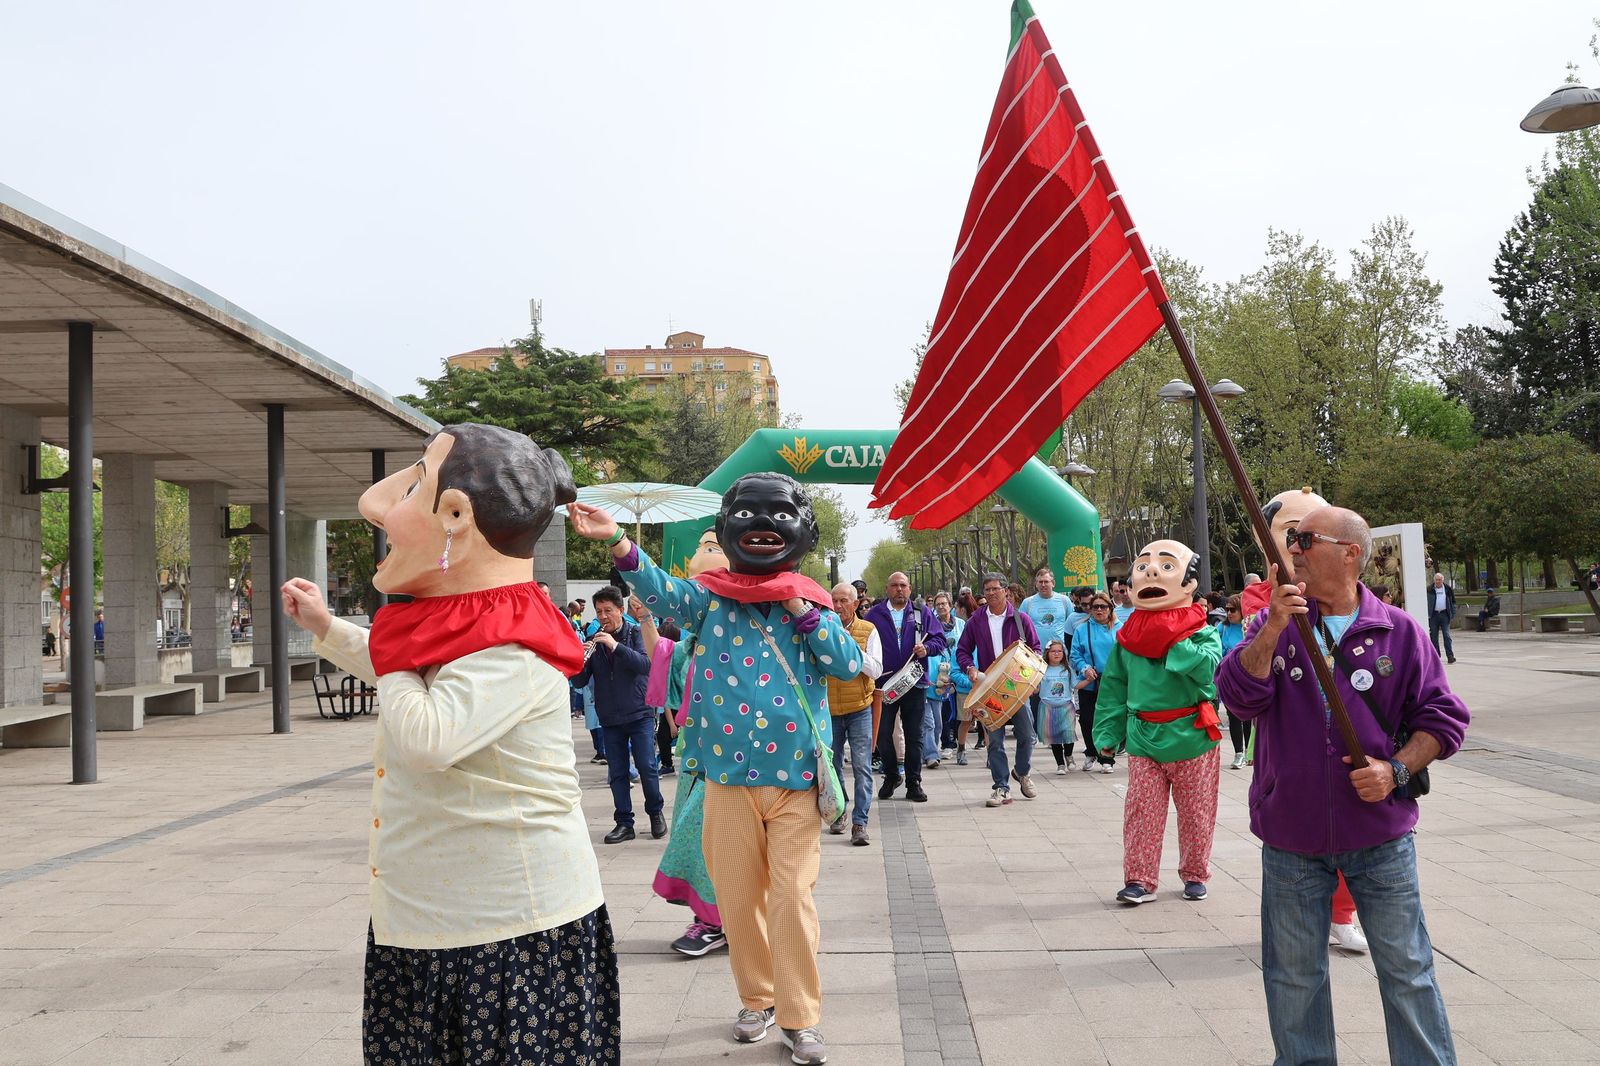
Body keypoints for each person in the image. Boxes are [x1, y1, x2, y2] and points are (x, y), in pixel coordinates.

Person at [281, 422, 617, 1064]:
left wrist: (392, 643)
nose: (378, 506)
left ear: (456, 518)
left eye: (412, 487)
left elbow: (427, 734)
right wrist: (332, 629)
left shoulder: (512, 640)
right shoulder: (467, 620)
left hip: (502, 932)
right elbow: (416, 676)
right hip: (436, 918)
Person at [570, 473, 862, 1065]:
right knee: (736, 898)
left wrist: (803, 611)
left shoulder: (812, 601)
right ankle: (756, 999)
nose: (764, 526)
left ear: (804, 530)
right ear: (726, 527)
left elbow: (846, 663)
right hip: (725, 779)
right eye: (749, 514)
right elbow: (659, 592)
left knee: (792, 897)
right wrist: (620, 542)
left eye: (781, 515)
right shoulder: (709, 597)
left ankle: (800, 1016)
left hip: (794, 782)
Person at [1216, 505, 1470, 1065]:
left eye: (1307, 539)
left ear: (1350, 552)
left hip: (1380, 838)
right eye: (1292, 541)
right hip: (1291, 838)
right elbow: (1238, 697)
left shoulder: (1397, 631)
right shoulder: (1274, 625)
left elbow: (1444, 718)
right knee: (1294, 981)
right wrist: (1275, 627)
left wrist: (1396, 770)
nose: (1295, 551)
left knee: (1407, 973)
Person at [1093, 541, 1223, 904]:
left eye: (1166, 566)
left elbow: (1207, 670)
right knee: (1141, 812)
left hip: (1192, 733)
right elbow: (1114, 688)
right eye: (1143, 566)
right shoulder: (1126, 640)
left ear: (1189, 585)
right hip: (1143, 735)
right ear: (1131, 587)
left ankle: (1196, 874)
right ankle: (1139, 879)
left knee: (1197, 812)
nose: (1151, 572)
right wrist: (1107, 733)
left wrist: (1172, 638)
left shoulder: (1203, 631)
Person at [573, 586, 666, 844]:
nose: (603, 616)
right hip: (610, 718)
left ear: (621, 611)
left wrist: (615, 646)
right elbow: (580, 681)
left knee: (647, 767)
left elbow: (646, 665)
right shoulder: (596, 640)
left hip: (639, 713)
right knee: (617, 773)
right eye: (599, 611)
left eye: (608, 611)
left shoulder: (636, 633)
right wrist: (576, 659)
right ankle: (624, 823)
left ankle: (656, 812)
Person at [955, 573, 1042, 808]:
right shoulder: (976, 621)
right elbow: (962, 650)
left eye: (995, 589)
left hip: (1017, 688)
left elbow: (1035, 649)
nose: (991, 593)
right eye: (987, 590)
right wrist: (970, 668)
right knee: (995, 741)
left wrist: (1032, 678)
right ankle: (1001, 787)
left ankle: (1022, 772)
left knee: (1028, 736)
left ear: (1006, 591)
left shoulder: (1020, 619)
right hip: (989, 690)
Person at [865, 572, 945, 803]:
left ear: (909, 589)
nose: (899, 589)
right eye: (894, 586)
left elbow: (939, 640)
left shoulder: (922, 613)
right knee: (882, 734)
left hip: (915, 682)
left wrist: (927, 649)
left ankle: (913, 782)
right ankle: (891, 775)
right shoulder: (874, 615)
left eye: (903, 585)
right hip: (883, 684)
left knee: (914, 735)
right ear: (887, 589)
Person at [827, 582, 884, 845]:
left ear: (855, 603)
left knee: (862, 766)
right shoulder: (824, 630)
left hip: (859, 709)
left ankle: (860, 822)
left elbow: (875, 669)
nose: (838, 607)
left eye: (843, 601)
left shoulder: (868, 630)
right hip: (830, 710)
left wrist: (852, 649)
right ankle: (840, 812)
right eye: (834, 601)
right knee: (833, 766)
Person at [1070, 591, 1121, 773]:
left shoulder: (1119, 628)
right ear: (1090, 610)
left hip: (1112, 682)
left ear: (1110, 608)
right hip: (1090, 681)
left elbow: (1125, 654)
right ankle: (1091, 751)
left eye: (1103, 606)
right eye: (1095, 607)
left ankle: (1107, 757)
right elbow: (1074, 654)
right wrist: (1085, 668)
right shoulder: (1081, 629)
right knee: (1086, 719)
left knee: (1109, 720)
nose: (1099, 610)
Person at [929, 591, 967, 756]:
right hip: (941, 672)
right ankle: (947, 742)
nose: (941, 607)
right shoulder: (932, 625)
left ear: (950, 605)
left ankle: (960, 741)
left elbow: (967, 644)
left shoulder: (960, 624)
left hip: (959, 669)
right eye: (938, 604)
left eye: (944, 603)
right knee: (945, 708)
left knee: (960, 707)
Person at [1218, 595, 1249, 770]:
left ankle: (1249, 752)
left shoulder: (1249, 626)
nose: (1229, 613)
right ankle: (1238, 753)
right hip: (1229, 678)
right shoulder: (1222, 628)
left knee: (1248, 717)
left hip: (1247, 679)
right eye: (1227, 609)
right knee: (1233, 716)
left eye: (1233, 610)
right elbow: (1217, 650)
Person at [1037, 640, 1075, 773]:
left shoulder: (1067, 669)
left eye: (1059, 651)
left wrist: (1088, 680)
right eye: (1053, 651)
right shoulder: (1042, 670)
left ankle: (1069, 755)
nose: (1057, 653)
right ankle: (1060, 764)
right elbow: (1036, 689)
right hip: (1048, 707)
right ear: (1047, 653)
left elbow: (1075, 685)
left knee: (1068, 733)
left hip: (1066, 706)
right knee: (1054, 737)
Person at [1427, 572, 1458, 664]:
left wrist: (1452, 613)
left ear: (1442, 580)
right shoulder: (1429, 589)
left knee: (1447, 635)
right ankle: (1436, 656)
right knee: (1434, 637)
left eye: (1440, 580)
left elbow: (1453, 602)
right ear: (1434, 580)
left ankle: (1450, 656)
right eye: (1436, 580)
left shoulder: (1448, 589)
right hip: (1433, 615)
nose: (1438, 581)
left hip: (1445, 614)